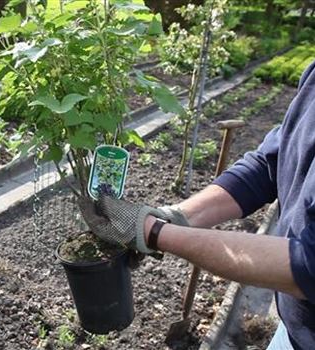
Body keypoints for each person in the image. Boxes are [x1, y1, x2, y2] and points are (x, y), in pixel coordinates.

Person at [80, 59, 315, 349]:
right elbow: (270, 162)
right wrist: (173, 216)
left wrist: (153, 232)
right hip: (293, 331)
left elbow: (308, 265)